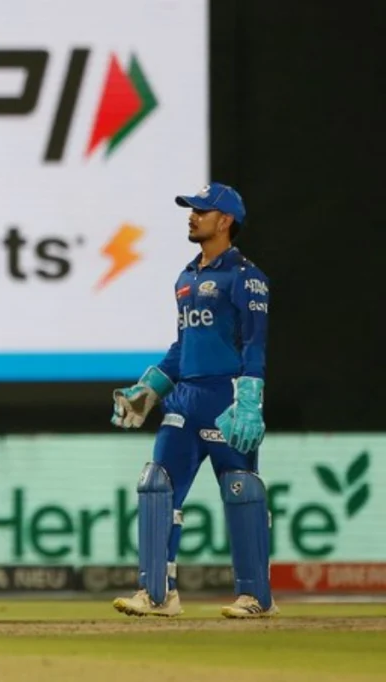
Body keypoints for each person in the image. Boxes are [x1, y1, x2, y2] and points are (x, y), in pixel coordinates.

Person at [110, 182, 276, 619]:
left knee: (241, 490)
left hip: (226, 398)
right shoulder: (186, 277)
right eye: (191, 209)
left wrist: (250, 400)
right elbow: (183, 347)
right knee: (157, 484)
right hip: (184, 400)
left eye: (201, 210)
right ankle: (157, 594)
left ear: (225, 221)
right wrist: (149, 390)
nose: (192, 215)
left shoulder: (246, 278)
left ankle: (256, 596)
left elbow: (254, 346)